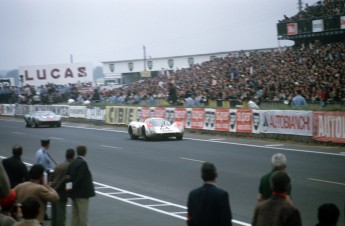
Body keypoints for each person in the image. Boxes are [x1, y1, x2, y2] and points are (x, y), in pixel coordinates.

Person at [187, 162, 232, 226]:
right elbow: (226, 220)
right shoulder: (222, 195)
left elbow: (190, 219)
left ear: (202, 176)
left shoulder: (193, 194)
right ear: (216, 174)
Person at [67, 145, 95, 226]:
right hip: (82, 194)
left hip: (73, 194)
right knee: (83, 215)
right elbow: (80, 178)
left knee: (74, 215)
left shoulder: (73, 162)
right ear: (85, 152)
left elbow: (68, 177)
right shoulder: (83, 163)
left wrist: (69, 191)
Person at [51, 148, 75, 226]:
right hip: (62, 194)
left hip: (53, 191)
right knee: (61, 216)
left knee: (54, 216)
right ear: (73, 156)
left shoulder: (59, 165)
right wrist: (69, 192)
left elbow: (52, 177)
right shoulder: (70, 166)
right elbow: (68, 182)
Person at [35, 139, 56, 221]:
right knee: (44, 195)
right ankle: (43, 214)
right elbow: (42, 166)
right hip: (44, 176)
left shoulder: (40, 151)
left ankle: (43, 213)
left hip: (43, 174)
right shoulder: (43, 153)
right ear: (47, 144)